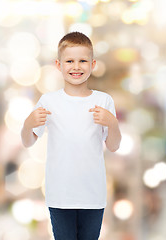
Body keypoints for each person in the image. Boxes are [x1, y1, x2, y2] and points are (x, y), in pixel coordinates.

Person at [21, 31, 121, 240]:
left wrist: (112, 123)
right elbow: (28, 141)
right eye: (70, 61)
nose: (76, 67)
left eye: (83, 60)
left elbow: (113, 145)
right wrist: (28, 124)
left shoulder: (104, 101)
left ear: (93, 64)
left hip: (93, 195)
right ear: (59, 65)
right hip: (60, 195)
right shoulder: (49, 101)